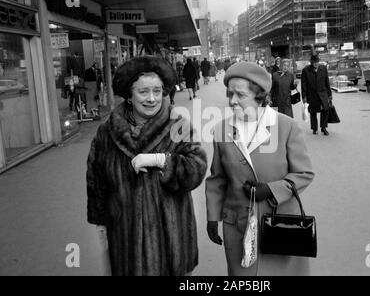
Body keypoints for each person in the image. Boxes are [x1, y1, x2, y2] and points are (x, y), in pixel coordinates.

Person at [86, 56, 208, 276]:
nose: (152, 98)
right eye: (143, 92)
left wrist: (161, 160)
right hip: (125, 238)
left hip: (171, 242)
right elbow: (97, 178)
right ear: (130, 96)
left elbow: (197, 168)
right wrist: (101, 222)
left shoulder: (177, 124)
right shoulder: (108, 131)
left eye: (157, 91)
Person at [205, 62, 315, 276]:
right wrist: (212, 215)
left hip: (280, 226)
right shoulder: (222, 129)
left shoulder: (286, 126)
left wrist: (272, 190)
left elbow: (304, 173)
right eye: (229, 94)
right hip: (238, 225)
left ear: (259, 96)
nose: (232, 101)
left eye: (240, 95)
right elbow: (217, 178)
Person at [301, 54, 332, 136]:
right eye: (314, 62)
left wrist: (329, 95)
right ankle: (314, 128)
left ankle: (323, 128)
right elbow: (303, 85)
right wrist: (304, 97)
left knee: (325, 111)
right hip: (312, 95)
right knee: (313, 112)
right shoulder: (305, 70)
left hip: (323, 94)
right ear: (311, 62)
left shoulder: (323, 68)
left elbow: (327, 82)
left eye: (317, 62)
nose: (316, 64)